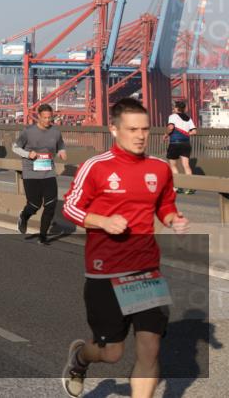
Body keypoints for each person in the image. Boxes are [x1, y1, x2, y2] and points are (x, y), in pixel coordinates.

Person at [61, 97, 189, 398]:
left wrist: (173, 218)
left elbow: (165, 204)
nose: (141, 136)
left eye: (145, 129)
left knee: (150, 349)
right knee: (112, 353)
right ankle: (81, 357)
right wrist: (102, 221)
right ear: (114, 129)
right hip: (105, 271)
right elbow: (70, 207)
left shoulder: (159, 168)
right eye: (132, 129)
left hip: (146, 270)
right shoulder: (95, 167)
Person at [12, 103, 68, 245]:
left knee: (51, 204)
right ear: (38, 117)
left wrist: (62, 151)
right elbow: (15, 147)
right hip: (31, 172)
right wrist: (27, 154)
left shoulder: (55, 131)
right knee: (34, 204)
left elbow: (60, 144)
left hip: (48, 172)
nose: (48, 120)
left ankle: (43, 236)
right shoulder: (28, 131)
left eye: (50, 117)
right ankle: (24, 217)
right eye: (44, 118)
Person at [166, 100, 197, 194]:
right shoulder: (188, 118)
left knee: (173, 165)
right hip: (186, 144)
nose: (173, 108)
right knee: (186, 166)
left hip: (175, 143)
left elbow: (171, 127)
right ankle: (190, 187)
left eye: (174, 107)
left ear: (176, 108)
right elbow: (194, 132)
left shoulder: (172, 116)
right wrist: (186, 133)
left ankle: (177, 187)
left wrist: (166, 134)